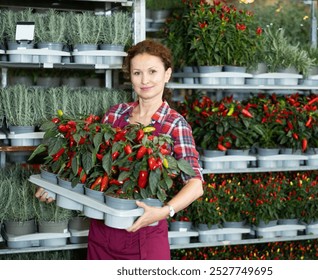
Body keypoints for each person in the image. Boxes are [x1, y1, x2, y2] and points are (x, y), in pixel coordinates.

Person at [36, 39, 204, 260]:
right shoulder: (115, 114)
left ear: (167, 74)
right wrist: (56, 188)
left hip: (145, 232)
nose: (145, 80)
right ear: (130, 77)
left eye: (152, 71)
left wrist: (165, 211)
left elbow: (195, 184)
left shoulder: (174, 123)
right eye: (137, 73)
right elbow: (92, 169)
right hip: (102, 229)